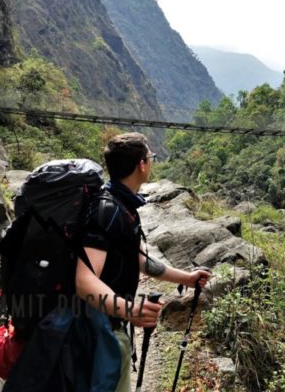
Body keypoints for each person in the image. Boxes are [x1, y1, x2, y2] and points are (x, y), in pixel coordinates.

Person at [75, 132, 211, 392]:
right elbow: (84, 280)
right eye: (151, 157)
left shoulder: (122, 207)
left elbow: (139, 260)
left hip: (109, 327)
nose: (151, 162)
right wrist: (131, 311)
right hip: (98, 334)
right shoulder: (108, 211)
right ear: (142, 164)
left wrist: (186, 278)